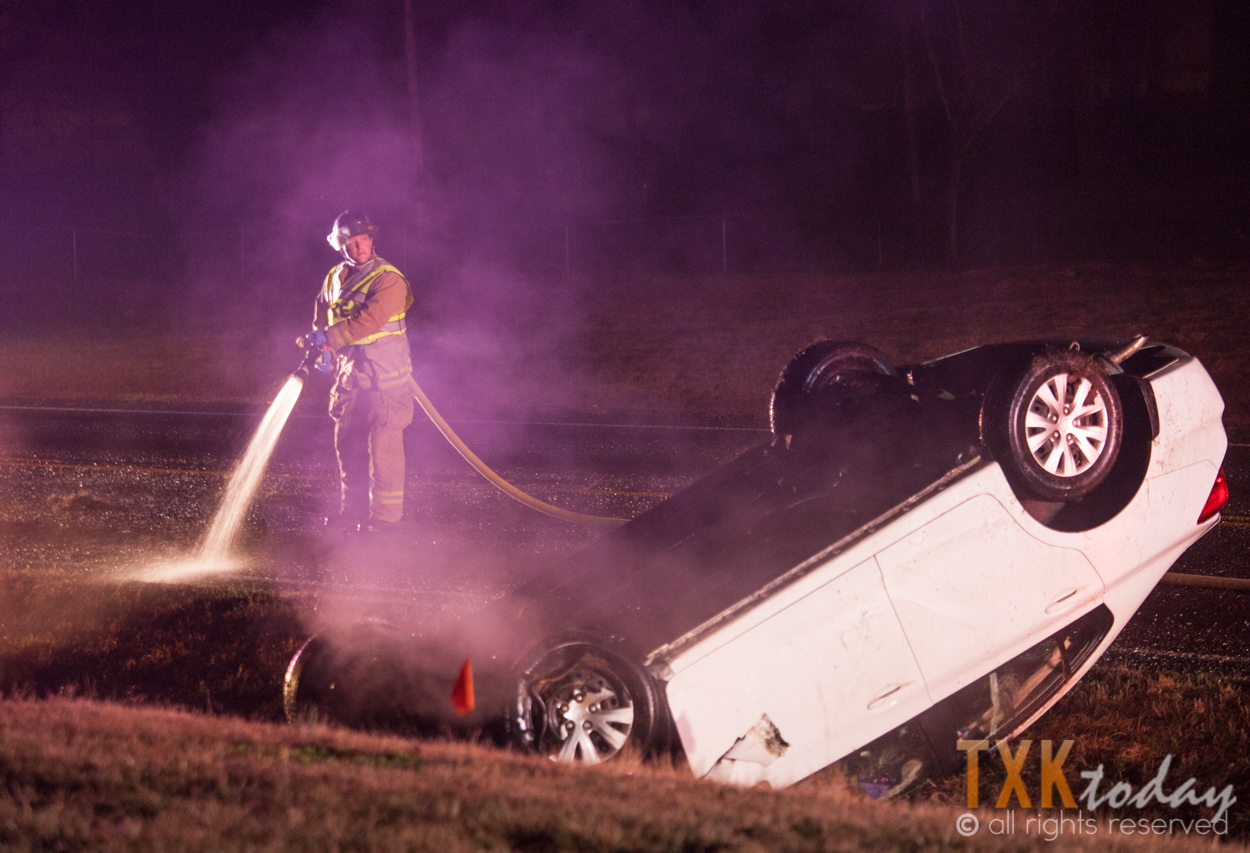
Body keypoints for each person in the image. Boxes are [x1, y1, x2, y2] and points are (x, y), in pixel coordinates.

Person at [297, 210, 416, 534]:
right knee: (346, 443)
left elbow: (368, 322)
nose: (359, 247)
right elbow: (324, 312)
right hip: (352, 376)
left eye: (363, 240)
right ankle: (352, 513)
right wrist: (321, 345)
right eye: (351, 242)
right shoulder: (335, 277)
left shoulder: (388, 279)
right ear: (339, 245)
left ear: (372, 241)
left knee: (384, 448)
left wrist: (330, 340)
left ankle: (387, 522)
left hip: (385, 379)